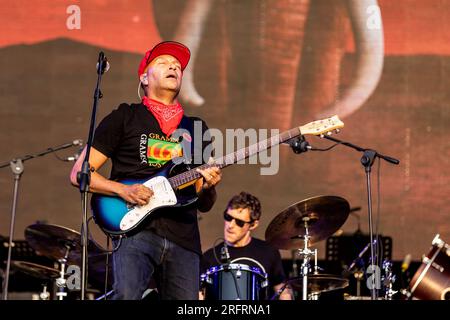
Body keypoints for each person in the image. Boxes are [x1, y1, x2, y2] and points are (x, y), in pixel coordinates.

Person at [70, 41, 222, 300]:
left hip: (184, 238)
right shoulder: (125, 116)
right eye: (163, 62)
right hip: (135, 230)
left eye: (177, 66)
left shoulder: (196, 127)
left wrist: (207, 186)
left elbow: (204, 202)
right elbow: (80, 174)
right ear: (144, 78)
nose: (173, 66)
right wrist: (123, 190)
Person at [201, 192, 292, 300]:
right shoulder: (209, 257)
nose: (230, 225)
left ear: (253, 225)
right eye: (228, 217)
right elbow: (199, 295)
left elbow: (283, 291)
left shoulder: (268, 252)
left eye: (239, 222)